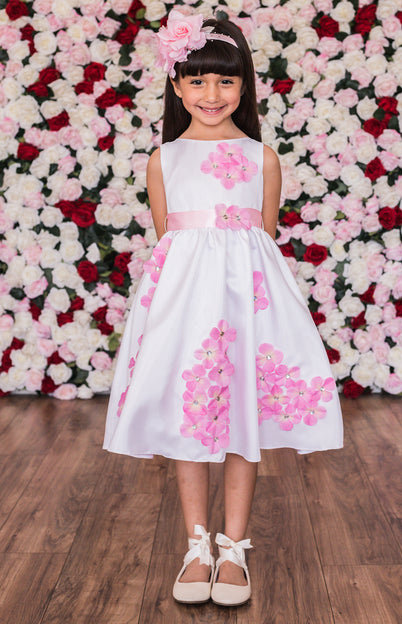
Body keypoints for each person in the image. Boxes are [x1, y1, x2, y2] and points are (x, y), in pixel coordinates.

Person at [103, 10, 343, 607]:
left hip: (246, 306)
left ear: (244, 87)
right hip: (187, 309)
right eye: (199, 81)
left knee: (241, 420)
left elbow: (260, 238)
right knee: (193, 422)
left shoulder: (263, 158)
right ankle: (197, 544)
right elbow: (170, 242)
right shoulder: (164, 160)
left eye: (226, 81)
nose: (212, 95)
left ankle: (234, 547)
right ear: (177, 86)